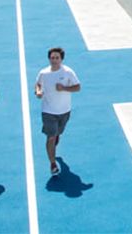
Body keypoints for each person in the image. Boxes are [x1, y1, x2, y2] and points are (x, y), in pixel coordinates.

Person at [35, 47, 81, 176]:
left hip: (64, 111)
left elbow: (78, 87)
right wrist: (38, 91)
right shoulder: (43, 73)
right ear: (49, 58)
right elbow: (38, 84)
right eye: (52, 58)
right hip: (48, 111)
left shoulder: (68, 72)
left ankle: (57, 136)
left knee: (57, 133)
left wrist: (64, 88)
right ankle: (53, 163)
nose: (54, 60)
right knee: (50, 137)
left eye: (57, 58)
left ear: (61, 59)